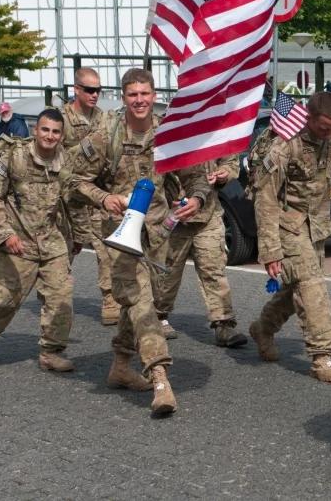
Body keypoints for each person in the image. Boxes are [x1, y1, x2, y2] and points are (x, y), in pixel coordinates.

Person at [70, 68, 211, 416]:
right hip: (118, 237)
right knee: (142, 301)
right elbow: (71, 178)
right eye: (132, 94)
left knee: (138, 301)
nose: (139, 101)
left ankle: (120, 365)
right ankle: (160, 377)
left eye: (144, 94)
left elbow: (196, 176)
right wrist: (104, 198)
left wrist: (197, 199)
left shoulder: (169, 134)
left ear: (153, 94)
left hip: (159, 232)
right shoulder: (105, 135)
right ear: (123, 97)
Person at [248, 91, 331, 383]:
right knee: (312, 288)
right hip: (289, 227)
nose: (328, 133)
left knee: (291, 292)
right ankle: (322, 356)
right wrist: (270, 250)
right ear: (308, 118)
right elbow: (266, 198)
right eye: (323, 127)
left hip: (318, 227)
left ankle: (263, 328)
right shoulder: (286, 144)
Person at [0, 108, 74, 373]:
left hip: (52, 241)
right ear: (35, 130)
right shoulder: (14, 158)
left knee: (60, 297)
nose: (49, 136)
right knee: (4, 299)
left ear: (61, 135)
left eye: (55, 132)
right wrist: (5, 234)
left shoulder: (66, 161)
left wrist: (81, 234)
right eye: (45, 130)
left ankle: (51, 352)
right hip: (17, 241)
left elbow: (74, 199)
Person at [153, 155, 249, 347]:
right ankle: (157, 316)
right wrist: (162, 199)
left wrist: (225, 173)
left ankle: (224, 324)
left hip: (208, 214)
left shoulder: (213, 130)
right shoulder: (164, 131)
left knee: (213, 270)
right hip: (173, 217)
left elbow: (230, 160)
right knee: (167, 272)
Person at [59, 67, 120, 325]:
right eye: (89, 90)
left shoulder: (104, 118)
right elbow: (53, 156)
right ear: (76, 89)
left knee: (105, 248)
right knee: (64, 249)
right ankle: (54, 297)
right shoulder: (60, 119)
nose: (95, 95)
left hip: (96, 195)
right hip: (69, 195)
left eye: (98, 90)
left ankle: (109, 299)